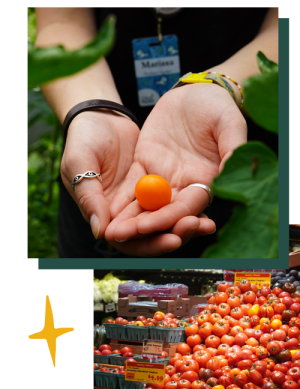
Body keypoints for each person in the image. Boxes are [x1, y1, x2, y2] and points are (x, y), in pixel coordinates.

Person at [34, 7, 279, 258]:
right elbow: (62, 26)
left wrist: (220, 86)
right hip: (107, 168)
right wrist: (93, 108)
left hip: (232, 153)